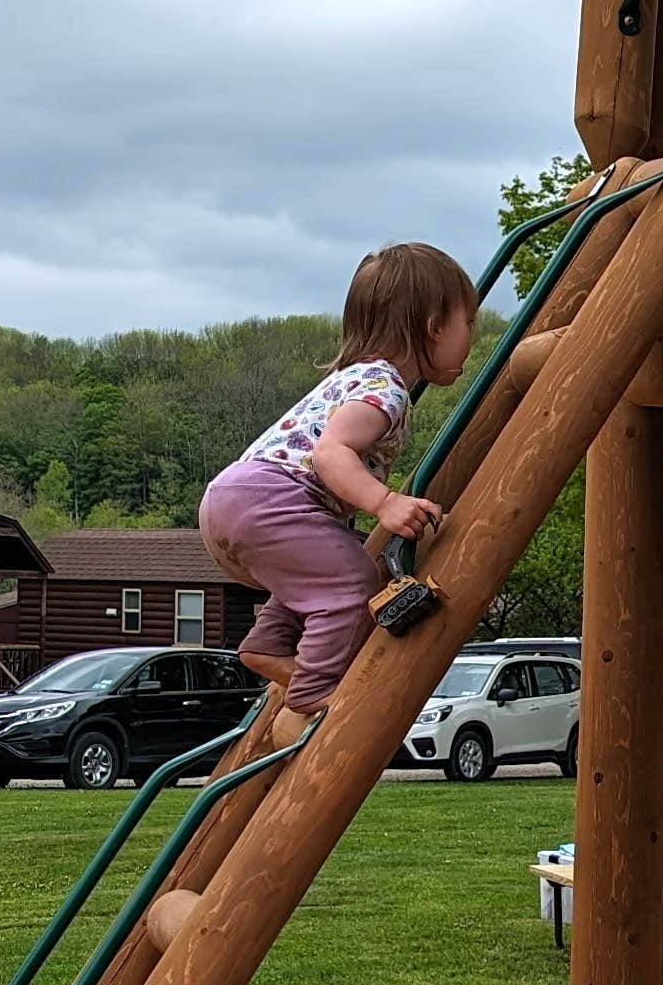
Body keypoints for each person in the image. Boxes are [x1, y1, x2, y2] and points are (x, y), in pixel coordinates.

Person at [199, 241, 478, 717]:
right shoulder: (385, 389)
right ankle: (313, 689)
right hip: (273, 497)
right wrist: (384, 502)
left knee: (321, 568)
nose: (471, 335)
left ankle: (268, 646)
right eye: (468, 323)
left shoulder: (355, 377)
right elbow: (331, 454)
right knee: (352, 583)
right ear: (434, 327)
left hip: (235, 499)